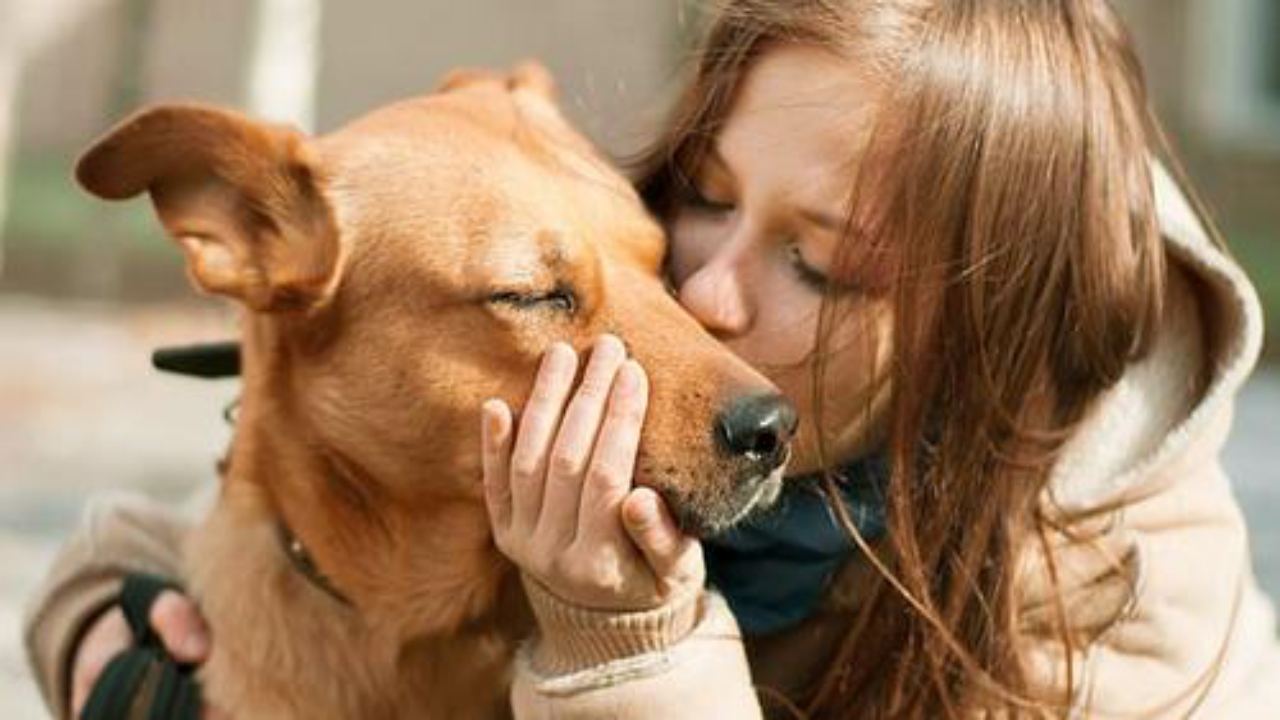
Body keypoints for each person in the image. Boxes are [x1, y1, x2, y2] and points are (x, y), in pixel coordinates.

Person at [26, 0, 1280, 717]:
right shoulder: (551, 388)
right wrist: (92, 630)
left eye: (824, 265)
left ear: (990, 325)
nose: (702, 305)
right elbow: (265, 498)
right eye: (696, 195)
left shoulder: (1137, 624)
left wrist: (623, 644)